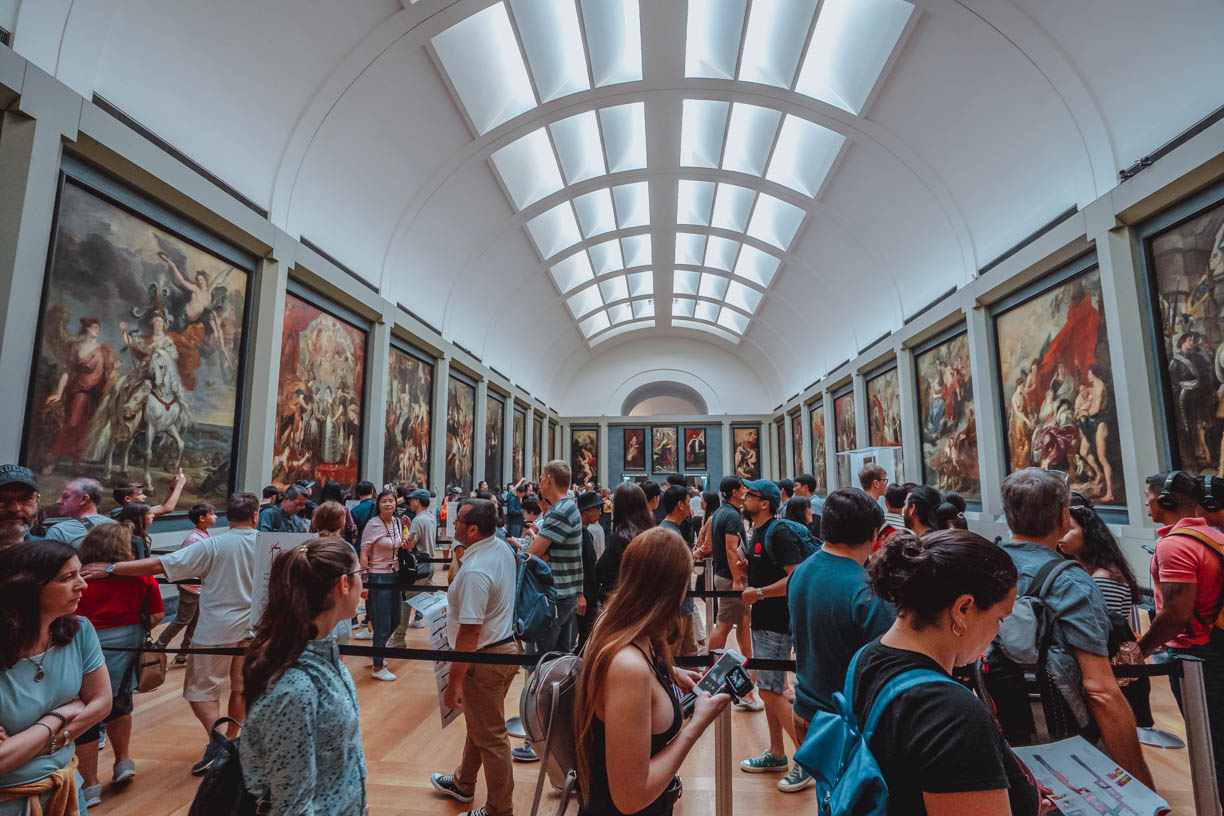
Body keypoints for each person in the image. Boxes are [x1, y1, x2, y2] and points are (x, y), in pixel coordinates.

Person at [860, 529, 1042, 815]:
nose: (997, 632)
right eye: (999, 618)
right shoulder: (952, 714)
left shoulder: (867, 657)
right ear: (963, 609)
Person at [80, 492, 262, 776]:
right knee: (240, 688)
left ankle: (221, 743)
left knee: (201, 690)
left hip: (216, 628)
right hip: (254, 627)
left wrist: (111, 568)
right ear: (255, 516)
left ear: (229, 517)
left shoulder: (214, 544)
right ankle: (232, 742)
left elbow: (160, 566)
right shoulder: (267, 544)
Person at [999, 468, 1152, 787]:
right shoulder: (1070, 582)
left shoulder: (983, 567)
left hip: (1000, 738)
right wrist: (1139, 780)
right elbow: (1100, 691)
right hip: (1069, 738)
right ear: (1063, 517)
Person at [575, 528, 731, 816]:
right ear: (674, 589)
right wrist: (696, 724)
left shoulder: (615, 622)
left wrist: (668, 672)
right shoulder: (628, 668)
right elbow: (630, 797)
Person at [241, 536, 367, 816]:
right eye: (361, 575)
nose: (364, 584)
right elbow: (292, 806)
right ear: (342, 585)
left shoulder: (323, 655)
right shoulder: (292, 690)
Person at [786, 488, 895, 794]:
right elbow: (883, 669)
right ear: (873, 533)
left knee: (830, 799)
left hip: (807, 709)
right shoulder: (865, 592)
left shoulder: (802, 571)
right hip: (845, 723)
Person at [0, 541, 112, 815]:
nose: (82, 585)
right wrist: (58, 717)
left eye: (79, 573)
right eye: (67, 578)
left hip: (68, 790)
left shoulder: (79, 631)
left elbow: (102, 702)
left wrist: (27, 744)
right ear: (27, 588)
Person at [429, 500, 520, 816]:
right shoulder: (501, 549)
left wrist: (453, 683)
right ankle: (463, 783)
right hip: (504, 649)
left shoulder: (475, 571)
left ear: (473, 529)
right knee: (481, 724)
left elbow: (470, 633)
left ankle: (499, 809)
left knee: (492, 738)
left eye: (458, 521)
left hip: (486, 658)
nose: (452, 526)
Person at [1138, 471, 1224, 787]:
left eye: (1148, 496)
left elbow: (1176, 614)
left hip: (1196, 656)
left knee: (1213, 748)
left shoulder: (1175, 545)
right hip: (1216, 646)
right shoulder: (1214, 536)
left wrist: (1140, 649)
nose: (1145, 504)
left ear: (1165, 500)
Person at [72, 523, 164, 806]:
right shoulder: (141, 578)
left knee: (85, 713)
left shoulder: (76, 579)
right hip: (126, 650)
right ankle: (123, 761)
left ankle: (89, 785)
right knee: (120, 702)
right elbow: (157, 614)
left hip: (83, 651)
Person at [738, 478, 804, 773]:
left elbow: (796, 577)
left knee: (771, 692)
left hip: (776, 623)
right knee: (769, 689)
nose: (743, 498)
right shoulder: (759, 531)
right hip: (764, 620)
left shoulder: (779, 533)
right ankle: (777, 752)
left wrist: (760, 592)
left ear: (764, 502)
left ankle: (808, 759)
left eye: (749, 495)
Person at [705, 476, 762, 710]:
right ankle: (712, 673)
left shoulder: (721, 512)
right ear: (734, 492)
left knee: (742, 625)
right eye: (742, 489)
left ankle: (748, 677)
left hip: (727, 577)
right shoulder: (730, 515)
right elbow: (730, 548)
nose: (745, 492)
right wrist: (738, 580)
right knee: (724, 626)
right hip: (730, 579)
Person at [155, 503, 214, 664]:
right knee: (183, 619)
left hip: (199, 587)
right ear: (202, 518)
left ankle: (184, 652)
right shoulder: (193, 540)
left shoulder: (204, 535)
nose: (215, 517)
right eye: (212, 514)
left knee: (195, 620)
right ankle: (157, 647)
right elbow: (187, 565)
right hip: (190, 587)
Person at [1059, 502, 1142, 617]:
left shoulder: (1103, 577)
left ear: (1088, 532)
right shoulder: (1087, 569)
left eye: (1068, 529)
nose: (1060, 535)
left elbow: (1103, 627)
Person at [359, 490, 404, 681]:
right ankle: (377, 666)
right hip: (378, 576)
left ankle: (378, 649)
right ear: (378, 504)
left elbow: (399, 545)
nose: (388, 505)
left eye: (391, 501)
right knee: (382, 621)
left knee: (395, 619)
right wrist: (364, 581)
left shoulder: (397, 522)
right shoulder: (373, 524)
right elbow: (364, 552)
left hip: (395, 576)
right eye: (384, 501)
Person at [595, 482, 654, 604]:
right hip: (649, 603)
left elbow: (600, 570)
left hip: (624, 605)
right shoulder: (654, 536)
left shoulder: (619, 539)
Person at [660, 485, 699, 656]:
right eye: (688, 502)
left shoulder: (671, 530)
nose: (691, 507)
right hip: (675, 611)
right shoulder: (669, 534)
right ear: (680, 505)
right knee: (671, 658)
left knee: (690, 656)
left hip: (684, 608)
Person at [45, 478, 113, 547]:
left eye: (66, 496)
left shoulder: (59, 532)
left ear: (84, 499)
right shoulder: (116, 527)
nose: (58, 501)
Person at [575, 492, 603, 649]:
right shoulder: (579, 533)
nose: (600, 512)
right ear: (586, 510)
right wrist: (580, 594)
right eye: (597, 509)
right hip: (584, 594)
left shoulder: (586, 533)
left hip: (589, 593)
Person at [109, 470, 186, 519]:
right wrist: (180, 485)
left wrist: (173, 487)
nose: (145, 496)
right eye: (140, 494)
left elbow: (162, 506)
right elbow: (167, 508)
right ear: (128, 499)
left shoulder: (119, 511)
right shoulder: (133, 512)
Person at [0, 464, 42, 544]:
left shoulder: (50, 553)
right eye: (2, 500)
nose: (15, 508)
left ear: (37, 500)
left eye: (26, 498)